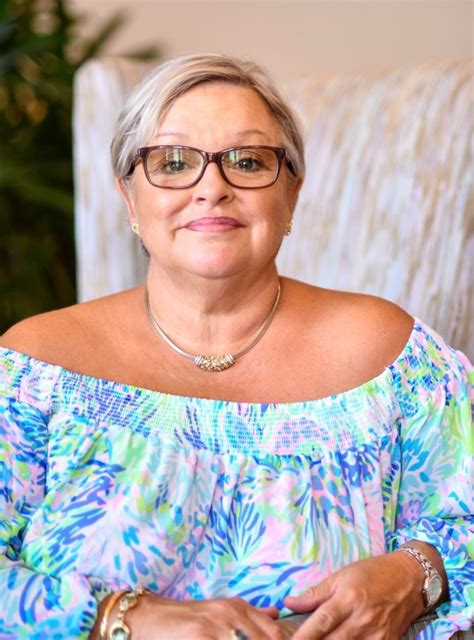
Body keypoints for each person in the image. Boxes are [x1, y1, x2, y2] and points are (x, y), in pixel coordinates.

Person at [0, 53, 472, 640]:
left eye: (247, 161)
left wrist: (415, 573)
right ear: (129, 198)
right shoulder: (32, 370)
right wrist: (122, 616)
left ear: (291, 194)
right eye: (174, 163)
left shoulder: (392, 358)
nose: (212, 189)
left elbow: (463, 523)